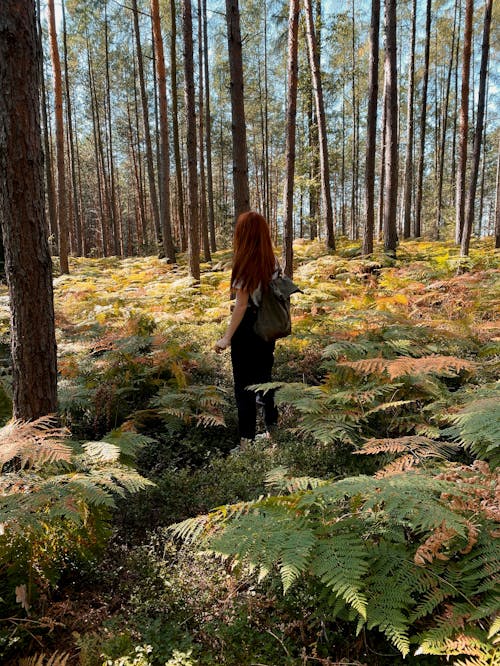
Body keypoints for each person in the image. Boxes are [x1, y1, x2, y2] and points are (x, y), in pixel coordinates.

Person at [215, 211, 279, 448]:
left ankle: (246, 442)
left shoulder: (244, 263)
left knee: (244, 387)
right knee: (265, 382)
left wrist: (226, 338)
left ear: (243, 235)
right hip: (267, 329)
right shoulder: (272, 261)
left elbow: (241, 305)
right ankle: (273, 433)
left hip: (247, 331)